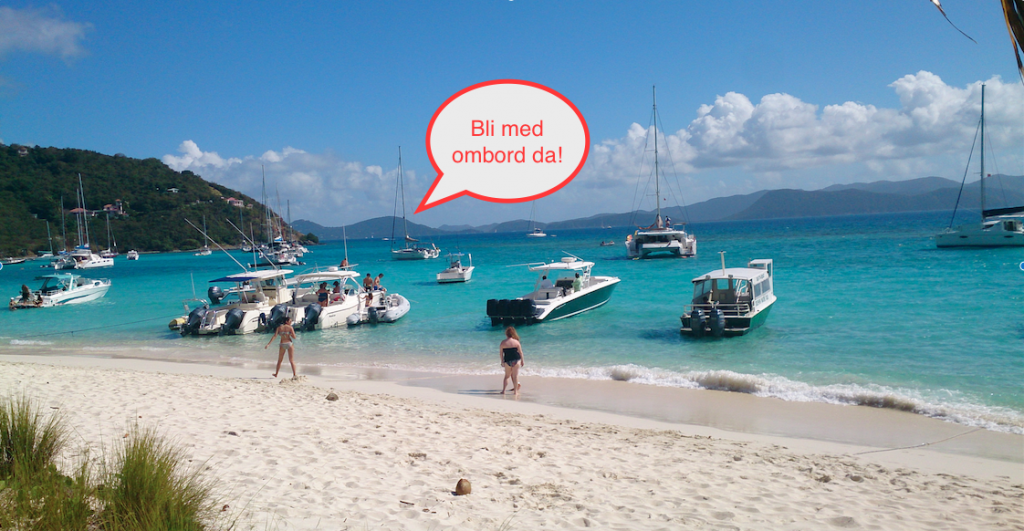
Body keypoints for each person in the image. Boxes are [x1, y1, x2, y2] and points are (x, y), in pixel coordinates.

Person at [499, 327, 524, 396]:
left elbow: (501, 353)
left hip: (507, 360)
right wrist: (522, 360)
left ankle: (503, 391)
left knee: (507, 376)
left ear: (506, 334)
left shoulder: (503, 342)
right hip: (516, 359)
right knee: (515, 376)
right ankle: (515, 392)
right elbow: (520, 352)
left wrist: (502, 361)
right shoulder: (516, 342)